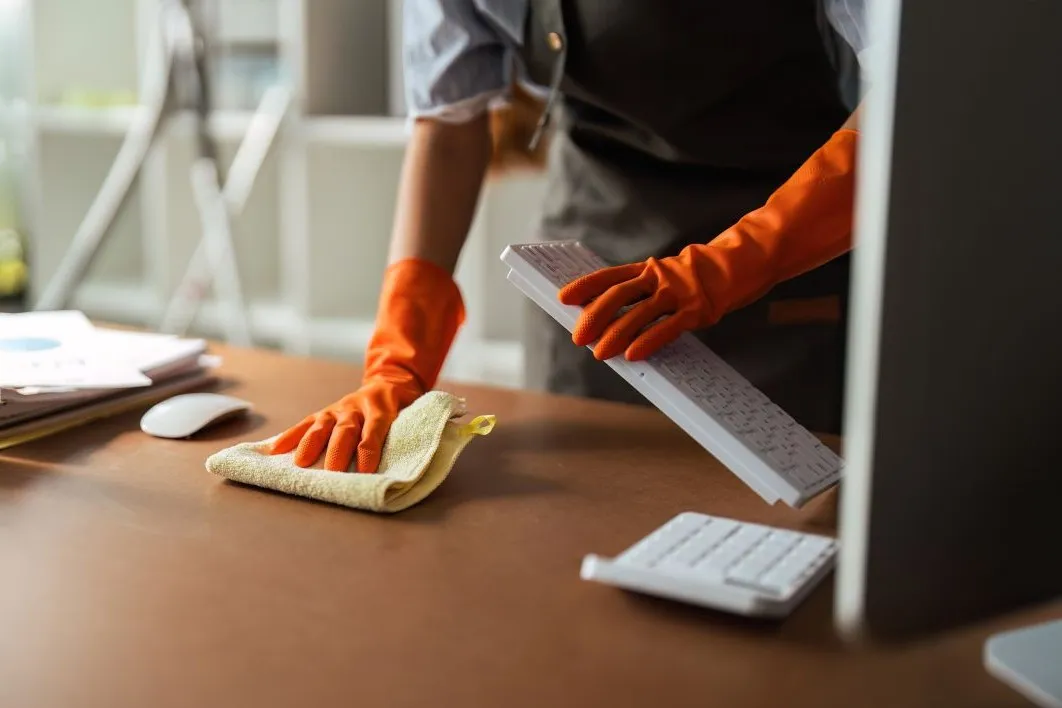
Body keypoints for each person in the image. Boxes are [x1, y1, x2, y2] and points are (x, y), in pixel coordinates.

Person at [269, 0, 870, 474]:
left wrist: (735, 263)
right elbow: (448, 123)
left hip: (785, 272)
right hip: (586, 292)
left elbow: (911, 95)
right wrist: (397, 361)